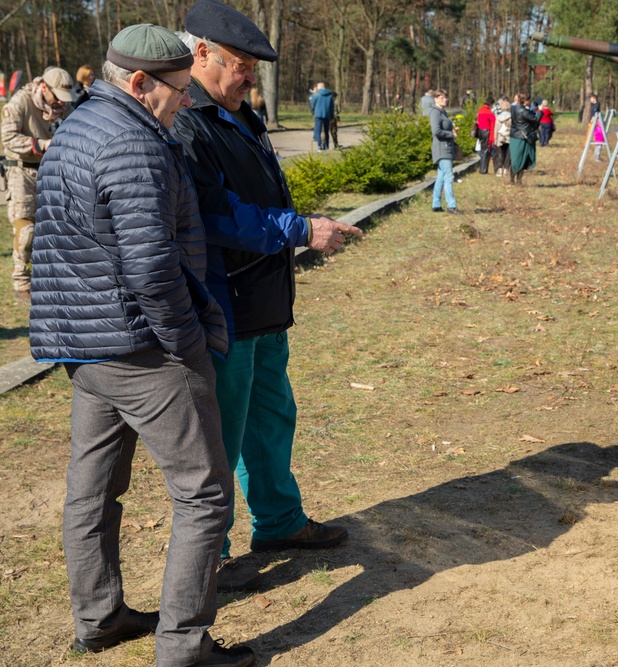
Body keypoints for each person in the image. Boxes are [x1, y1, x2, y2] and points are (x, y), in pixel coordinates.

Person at [30, 23, 254, 667]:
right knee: (205, 493)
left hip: (85, 348)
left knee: (93, 490)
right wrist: (188, 344)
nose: (186, 101)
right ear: (137, 82)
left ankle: (99, 618)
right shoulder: (133, 143)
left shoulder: (78, 127)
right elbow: (152, 265)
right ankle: (184, 647)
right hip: (139, 348)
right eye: (179, 89)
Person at [173, 0, 363, 590]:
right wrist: (300, 230)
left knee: (272, 417)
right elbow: (214, 215)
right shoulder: (186, 120)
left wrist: (296, 223)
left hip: (263, 304)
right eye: (241, 64)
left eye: (254, 66)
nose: (251, 76)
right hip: (223, 307)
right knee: (221, 438)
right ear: (201, 53)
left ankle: (278, 521)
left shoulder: (240, 113)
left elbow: (266, 193)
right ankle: (214, 552)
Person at [2, 66, 73, 305]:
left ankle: (47, 278)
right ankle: (22, 282)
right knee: (26, 230)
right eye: (56, 97)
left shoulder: (63, 106)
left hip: (50, 169)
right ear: (44, 87)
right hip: (20, 169)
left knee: (53, 227)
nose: (60, 103)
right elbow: (7, 138)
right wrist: (41, 144)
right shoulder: (20, 102)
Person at [429, 89, 459, 212]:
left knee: (441, 177)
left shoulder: (442, 112)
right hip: (442, 148)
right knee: (449, 177)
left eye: (445, 97)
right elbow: (436, 131)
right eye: (441, 97)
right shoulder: (435, 112)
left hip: (446, 147)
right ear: (435, 99)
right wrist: (450, 135)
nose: (444, 99)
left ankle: (436, 204)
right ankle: (451, 206)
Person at [508, 92, 539, 185]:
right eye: (528, 100)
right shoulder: (523, 111)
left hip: (514, 135)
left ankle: (512, 180)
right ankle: (518, 181)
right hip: (522, 137)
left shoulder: (513, 108)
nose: (530, 101)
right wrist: (540, 111)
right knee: (521, 159)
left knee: (514, 158)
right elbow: (535, 119)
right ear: (525, 101)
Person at [309, 81, 334, 150]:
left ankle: (319, 146)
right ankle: (326, 145)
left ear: (318, 88)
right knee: (326, 131)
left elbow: (312, 104)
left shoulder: (316, 95)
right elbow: (332, 107)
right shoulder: (329, 96)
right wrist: (332, 116)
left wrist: (313, 112)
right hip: (327, 115)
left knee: (318, 131)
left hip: (318, 115)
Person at [475, 96, 495, 173]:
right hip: (486, 131)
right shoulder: (488, 111)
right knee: (486, 150)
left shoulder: (480, 110)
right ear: (490, 104)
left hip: (480, 131)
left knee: (483, 150)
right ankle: (483, 169)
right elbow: (494, 120)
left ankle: (483, 168)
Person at [493, 96, 512, 177]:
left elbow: (496, 128)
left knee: (500, 153)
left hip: (500, 137)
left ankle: (499, 169)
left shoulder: (498, 117)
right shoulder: (512, 117)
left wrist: (495, 137)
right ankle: (506, 169)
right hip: (509, 137)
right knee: (508, 153)